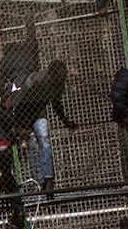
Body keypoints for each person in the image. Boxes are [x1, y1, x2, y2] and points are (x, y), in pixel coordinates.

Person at [5, 60, 78, 194]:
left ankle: (48, 178)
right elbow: (25, 105)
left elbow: (56, 103)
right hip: (24, 114)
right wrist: (22, 126)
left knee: (44, 139)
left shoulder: (58, 83)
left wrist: (65, 120)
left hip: (37, 114)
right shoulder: (40, 82)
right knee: (32, 145)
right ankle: (38, 182)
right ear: (52, 75)